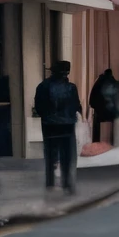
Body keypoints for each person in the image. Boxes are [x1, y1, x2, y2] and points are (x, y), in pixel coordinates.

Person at [33, 60, 82, 195]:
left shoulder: (43, 86)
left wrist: (47, 116)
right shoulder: (71, 87)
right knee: (67, 155)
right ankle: (67, 183)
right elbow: (76, 105)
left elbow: (39, 107)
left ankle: (50, 182)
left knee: (50, 154)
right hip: (67, 125)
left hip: (49, 125)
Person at [88, 67, 119, 144]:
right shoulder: (115, 84)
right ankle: (112, 142)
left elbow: (92, 98)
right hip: (111, 112)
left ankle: (96, 140)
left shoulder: (98, 82)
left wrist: (93, 105)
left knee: (97, 123)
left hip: (99, 111)